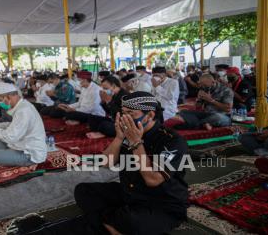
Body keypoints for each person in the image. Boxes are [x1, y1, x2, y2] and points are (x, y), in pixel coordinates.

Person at [33, 92, 188, 235]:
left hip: (161, 203)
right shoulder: (128, 133)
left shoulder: (172, 140)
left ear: (150, 115)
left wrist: (136, 143)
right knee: (84, 191)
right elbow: (106, 162)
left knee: (132, 221)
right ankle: (113, 224)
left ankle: (108, 221)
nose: (124, 118)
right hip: (130, 194)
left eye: (130, 114)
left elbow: (153, 179)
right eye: (123, 113)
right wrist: (119, 138)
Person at [0, 83, 47, 166]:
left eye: (0, 101)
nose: (1, 104)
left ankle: (1, 155)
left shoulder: (23, 111)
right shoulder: (21, 106)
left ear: (8, 97)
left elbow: (10, 137)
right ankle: (4, 155)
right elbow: (12, 125)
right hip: (21, 143)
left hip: (30, 154)